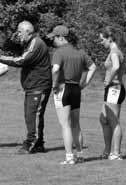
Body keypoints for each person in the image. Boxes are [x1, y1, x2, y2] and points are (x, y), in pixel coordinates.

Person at [0, 21, 52, 154]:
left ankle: (30, 143)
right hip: (33, 86)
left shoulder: (36, 44)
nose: (18, 34)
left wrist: (0, 57)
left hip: (39, 85)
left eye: (20, 32)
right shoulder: (30, 43)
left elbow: (21, 60)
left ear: (28, 31)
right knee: (32, 115)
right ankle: (39, 145)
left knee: (33, 115)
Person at [48, 25, 96, 164]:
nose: (53, 41)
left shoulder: (59, 52)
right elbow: (93, 67)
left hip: (63, 88)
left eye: (54, 38)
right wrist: (84, 84)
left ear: (61, 38)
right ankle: (80, 154)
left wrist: (54, 85)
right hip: (76, 89)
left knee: (65, 124)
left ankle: (69, 157)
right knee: (76, 124)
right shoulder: (80, 52)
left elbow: (55, 70)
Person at [99, 26, 126, 160]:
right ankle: (108, 150)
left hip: (114, 89)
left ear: (109, 38)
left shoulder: (114, 51)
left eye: (102, 39)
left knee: (113, 121)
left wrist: (109, 80)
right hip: (112, 88)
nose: (101, 42)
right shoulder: (115, 51)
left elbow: (115, 66)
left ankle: (116, 153)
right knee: (104, 119)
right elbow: (123, 68)